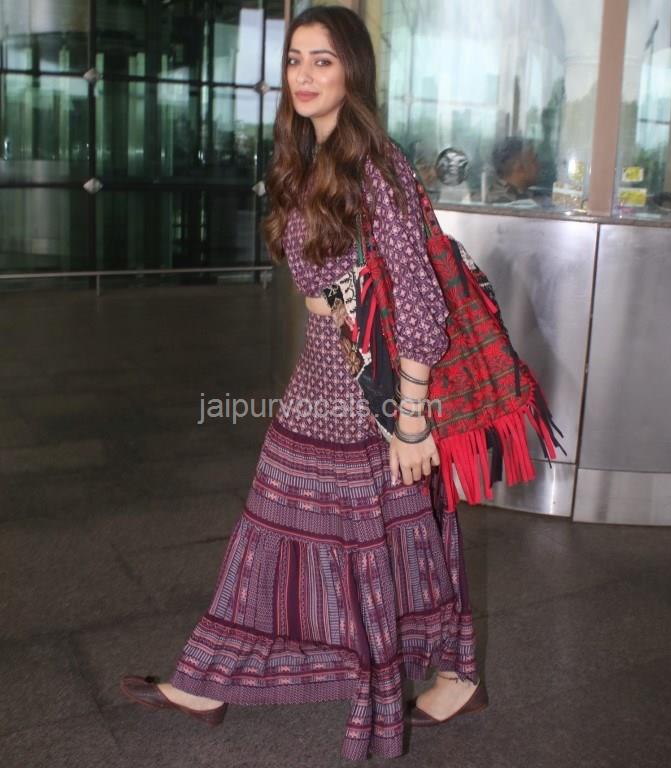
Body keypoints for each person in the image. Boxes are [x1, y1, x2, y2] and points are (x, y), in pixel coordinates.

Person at [120, 5, 486, 760]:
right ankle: (210, 679)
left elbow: (420, 301)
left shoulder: (373, 163)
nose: (305, 75)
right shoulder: (309, 153)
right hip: (324, 378)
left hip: (369, 395)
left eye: (323, 60)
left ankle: (450, 675)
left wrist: (411, 419)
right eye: (295, 59)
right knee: (328, 529)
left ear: (354, 70)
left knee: (376, 534)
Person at [487, 135, 540, 203]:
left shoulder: (529, 194)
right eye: (534, 161)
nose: (538, 166)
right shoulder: (501, 201)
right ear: (519, 167)